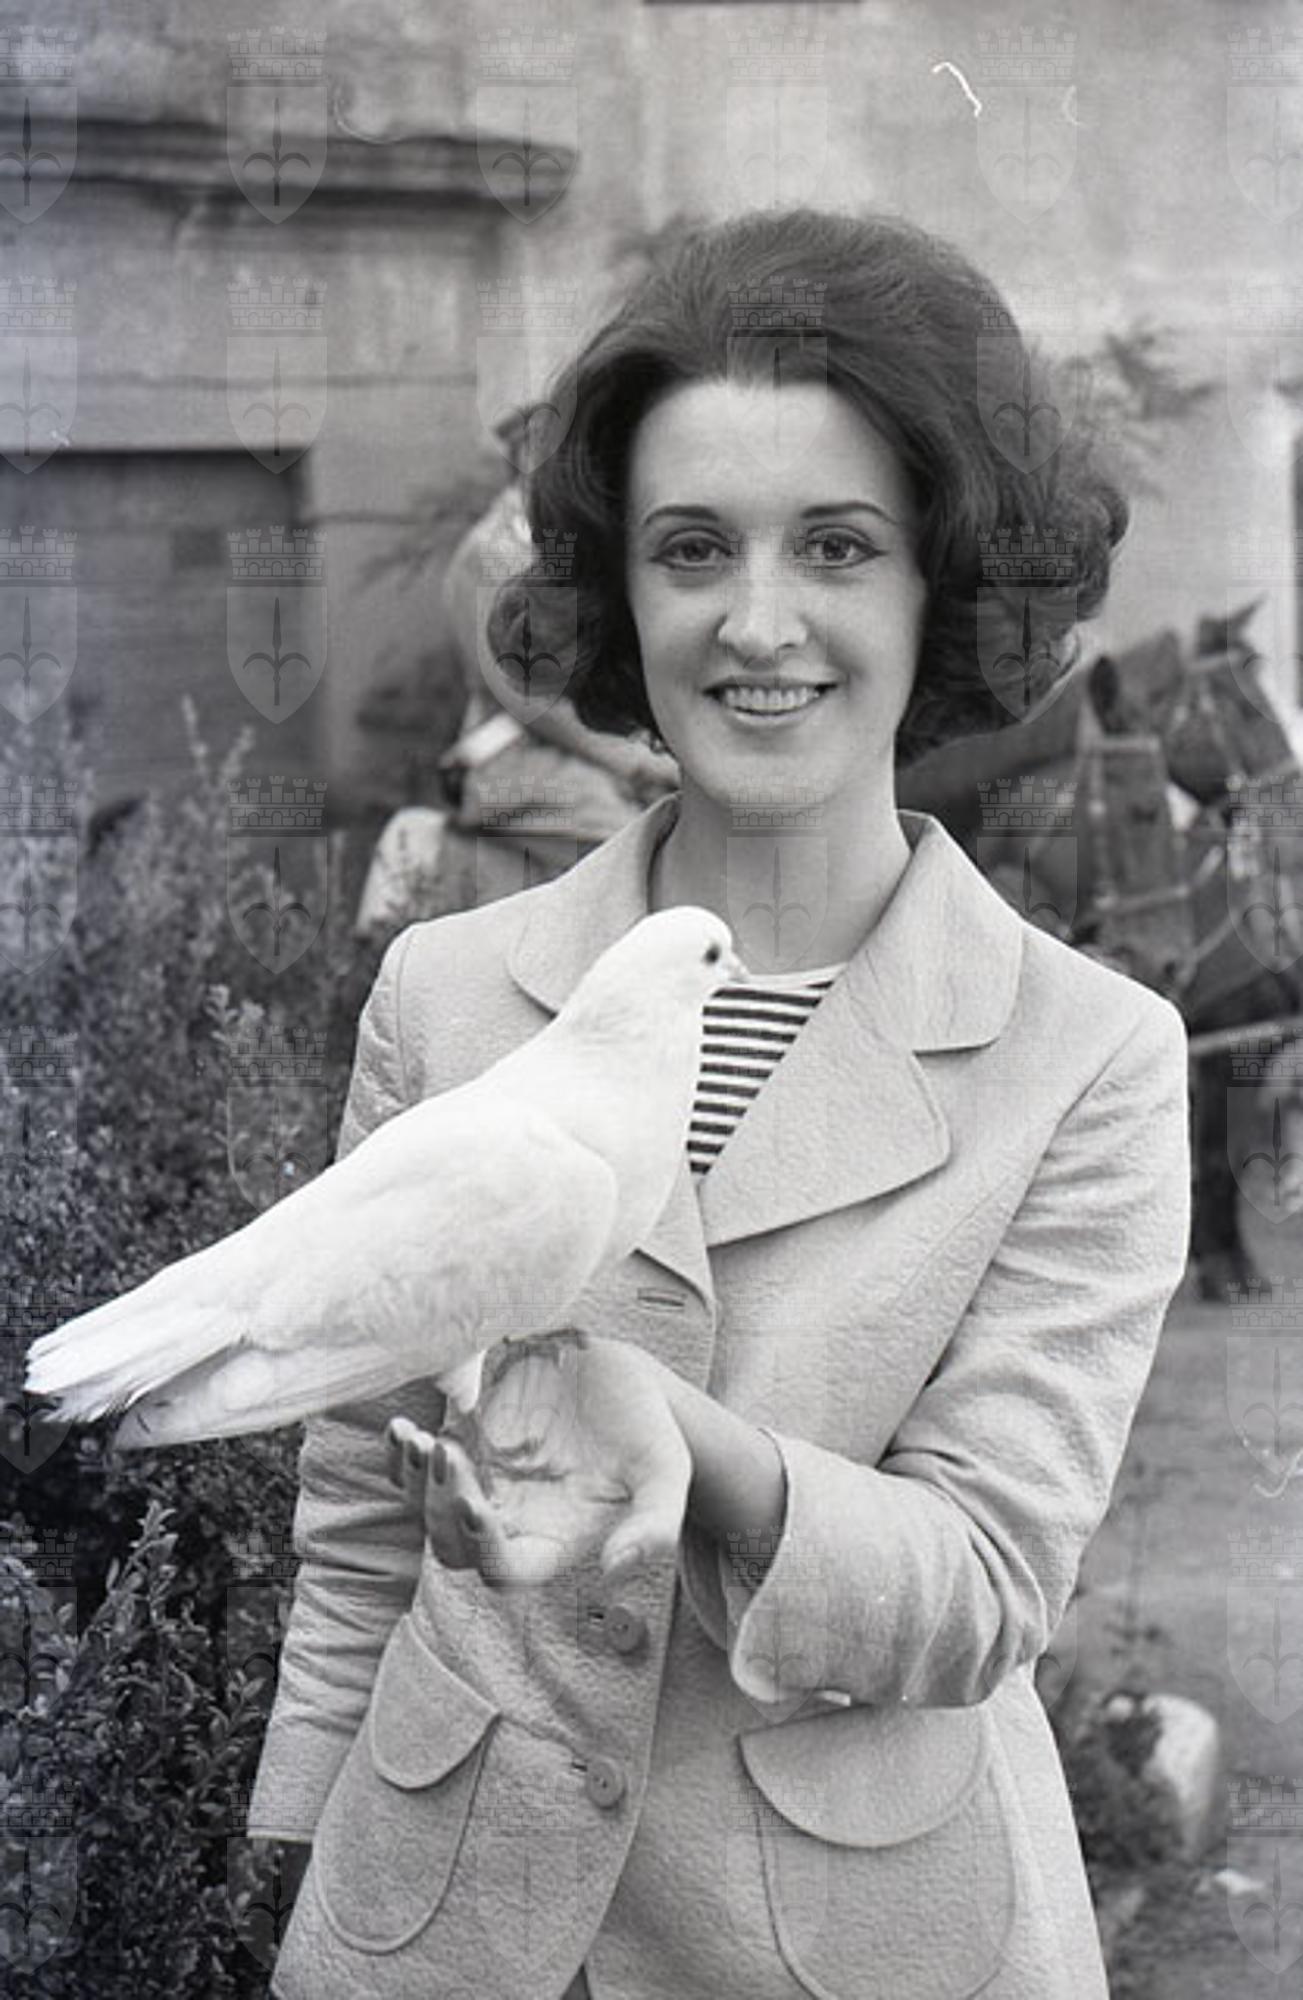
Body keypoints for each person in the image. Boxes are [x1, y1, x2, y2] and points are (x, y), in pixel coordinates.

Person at [249, 208, 1190, 2000]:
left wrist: (694, 1454)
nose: (757, 624)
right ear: (618, 591)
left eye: (835, 545)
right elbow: (362, 1495)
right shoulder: (447, 991)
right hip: (441, 1932)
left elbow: (985, 1584)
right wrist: (307, 1859)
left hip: (859, 1943)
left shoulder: (1088, 1055)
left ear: (943, 583)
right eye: (691, 549)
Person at [353, 473, 678, 945]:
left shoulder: (593, 538)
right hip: (528, 759)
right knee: (628, 848)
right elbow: (528, 698)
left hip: (609, 755)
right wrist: (635, 761)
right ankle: (429, 865)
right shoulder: (492, 551)